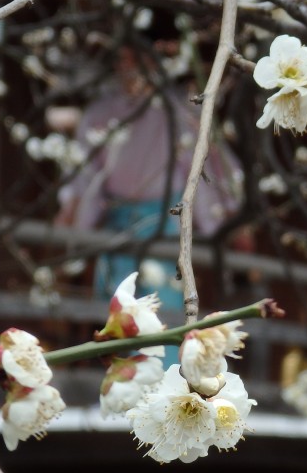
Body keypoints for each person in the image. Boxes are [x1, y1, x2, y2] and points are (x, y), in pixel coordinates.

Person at [55, 47, 244, 361]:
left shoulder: (179, 111)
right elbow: (85, 177)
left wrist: (225, 218)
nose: (128, 69)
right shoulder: (100, 112)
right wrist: (72, 216)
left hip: (164, 221)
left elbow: (204, 168)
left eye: (136, 60)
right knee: (119, 314)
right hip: (116, 223)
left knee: (162, 311)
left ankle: (164, 381)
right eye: (122, 61)